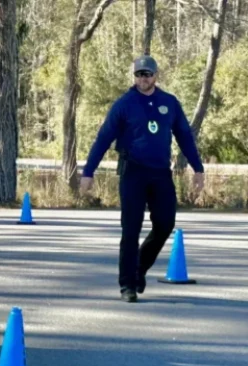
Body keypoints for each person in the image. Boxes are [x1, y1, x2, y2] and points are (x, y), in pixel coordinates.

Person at [79, 55, 205, 303]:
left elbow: (185, 137)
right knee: (131, 229)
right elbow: (103, 139)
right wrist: (88, 172)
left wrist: (198, 169)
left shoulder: (169, 103)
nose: (143, 79)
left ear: (156, 76)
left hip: (160, 172)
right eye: (139, 74)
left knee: (165, 223)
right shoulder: (124, 104)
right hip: (133, 171)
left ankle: (139, 268)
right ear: (134, 77)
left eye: (147, 74)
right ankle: (127, 285)